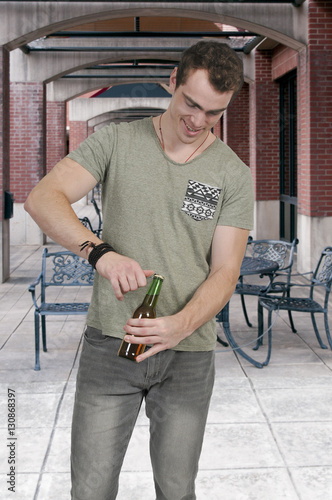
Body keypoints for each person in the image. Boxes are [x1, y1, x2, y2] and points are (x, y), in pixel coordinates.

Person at [24, 40, 254, 500]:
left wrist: (179, 326)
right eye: (191, 103)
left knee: (175, 488)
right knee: (90, 490)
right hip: (111, 345)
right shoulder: (116, 141)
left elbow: (226, 271)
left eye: (213, 113)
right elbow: (42, 198)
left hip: (187, 357)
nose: (197, 121)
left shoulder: (232, 174)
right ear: (171, 82)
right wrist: (100, 253)